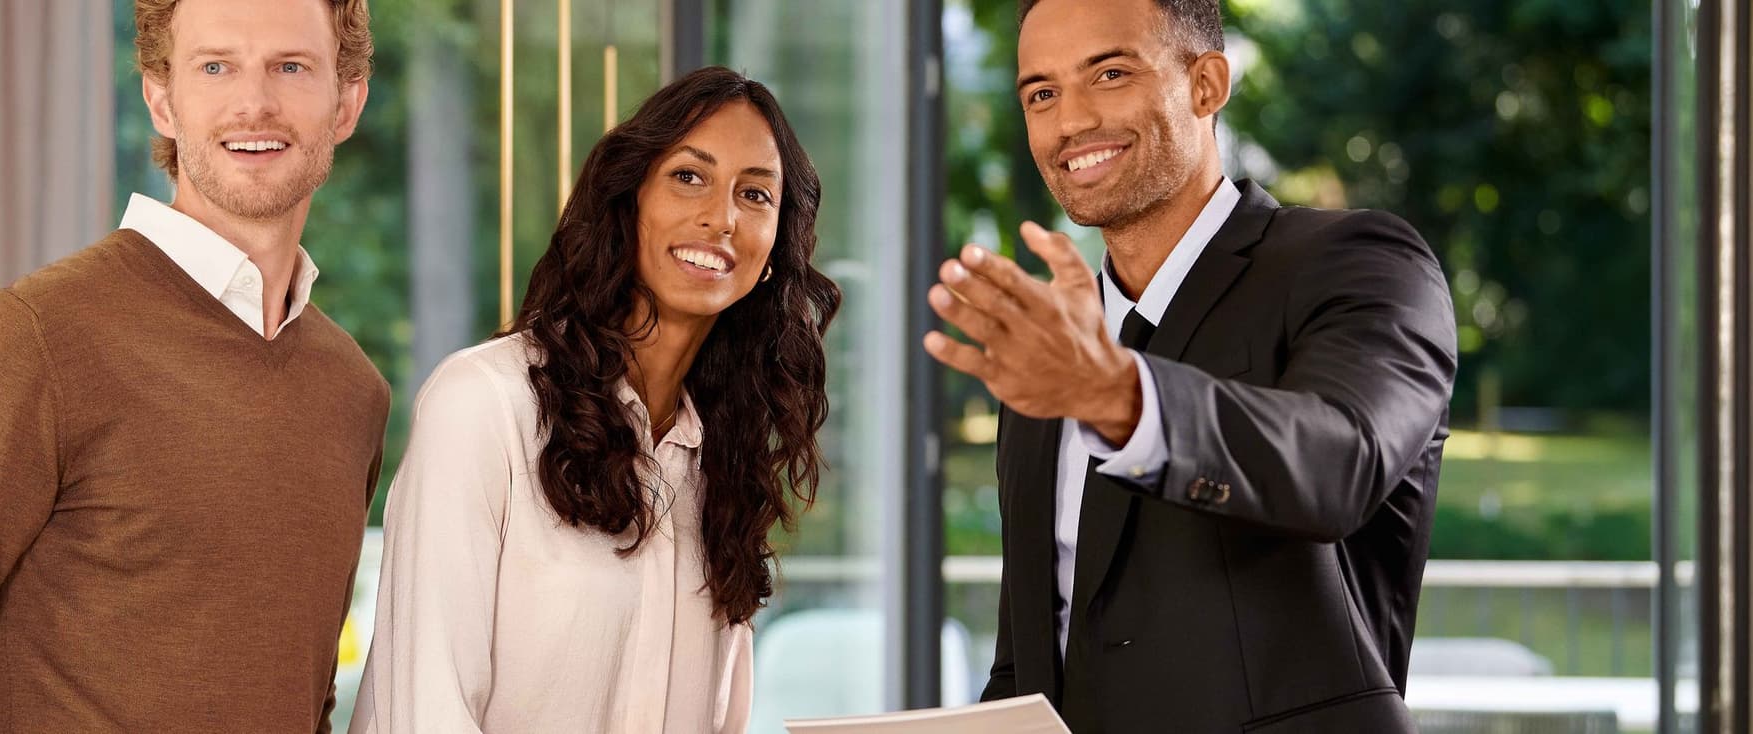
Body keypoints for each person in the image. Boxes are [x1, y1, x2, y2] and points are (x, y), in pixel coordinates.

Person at [0, 0, 388, 730]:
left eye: (290, 67)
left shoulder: (351, 393)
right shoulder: (32, 342)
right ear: (161, 98)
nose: (254, 103)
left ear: (347, 102)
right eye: (216, 66)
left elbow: (301, 700)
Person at [924, 0, 1457, 730]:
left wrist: (1121, 398)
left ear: (1206, 84)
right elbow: (1031, 659)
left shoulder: (1356, 263)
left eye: (1109, 73)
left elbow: (1341, 460)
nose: (1070, 121)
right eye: (1041, 93)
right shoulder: (1053, 355)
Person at [349, 66, 842, 734]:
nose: (720, 217)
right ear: (628, 197)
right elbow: (424, 711)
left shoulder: (719, 464)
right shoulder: (486, 406)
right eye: (689, 177)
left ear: (773, 250)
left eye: (754, 194)